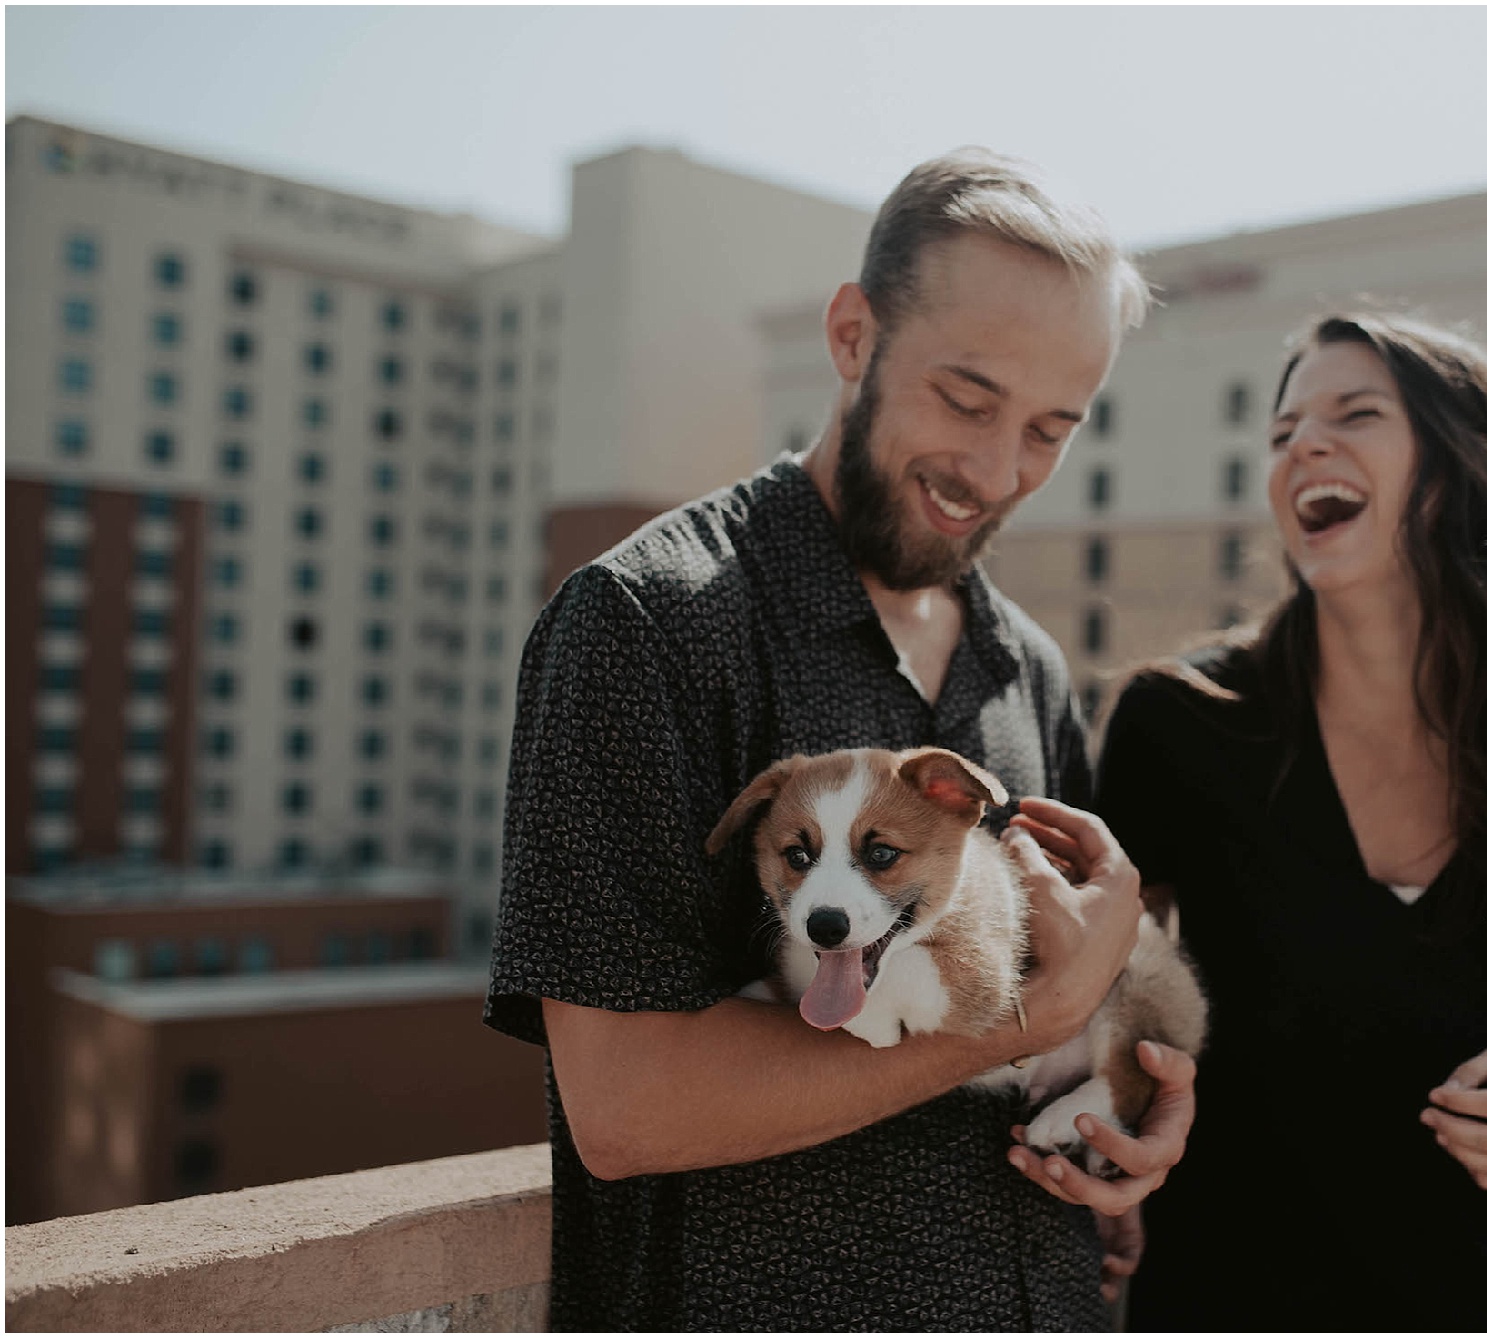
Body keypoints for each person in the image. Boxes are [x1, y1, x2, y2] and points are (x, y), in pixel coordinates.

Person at [483, 149, 1197, 1332]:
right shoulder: (644, 624)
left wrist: (1125, 1099)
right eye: (966, 401)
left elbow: (1069, 995)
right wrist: (1024, 1023)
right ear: (852, 336)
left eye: (1048, 430)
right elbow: (622, 1110)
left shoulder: (1029, 668)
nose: (994, 470)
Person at [1094, 311, 1487, 1331]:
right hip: (1228, 1286)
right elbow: (1094, 985)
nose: (1300, 448)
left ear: (1458, 468)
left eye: (1353, 414)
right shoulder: (1178, 722)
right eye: (1281, 434)